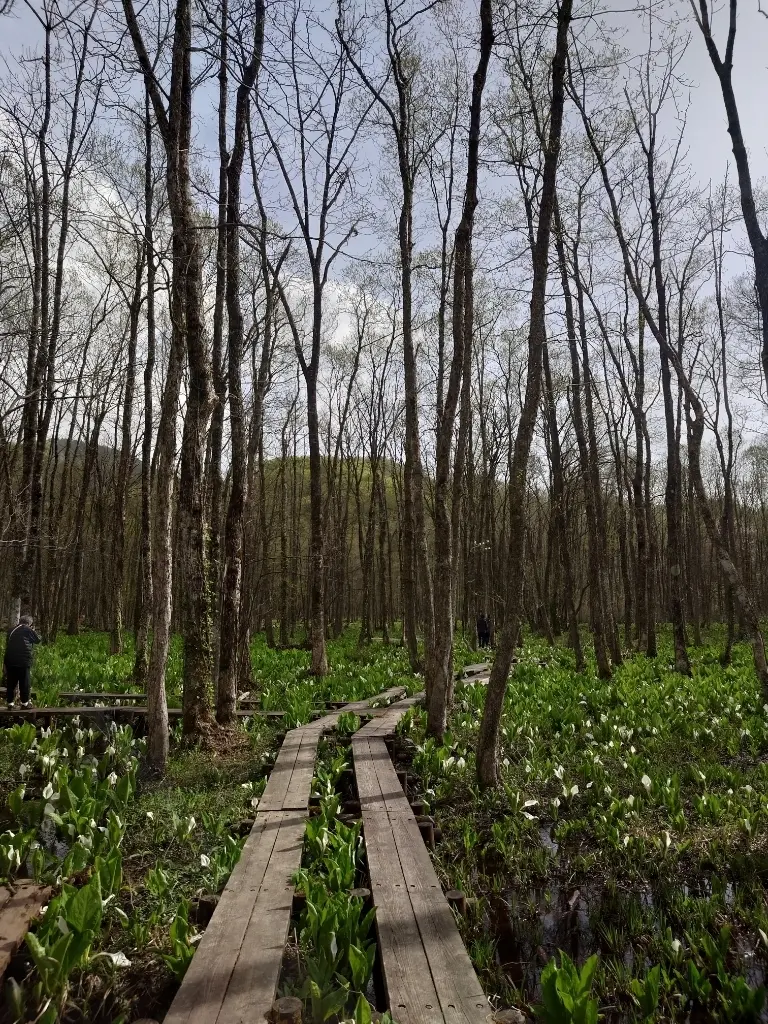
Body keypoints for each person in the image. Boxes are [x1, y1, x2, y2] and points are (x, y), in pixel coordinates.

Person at [3, 615, 40, 708]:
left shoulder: (11, 630)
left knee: (11, 682)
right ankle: (25, 703)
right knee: (24, 682)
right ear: (29, 623)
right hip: (23, 660)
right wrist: (33, 630)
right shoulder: (27, 629)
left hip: (10, 659)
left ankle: (10, 703)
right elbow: (37, 640)